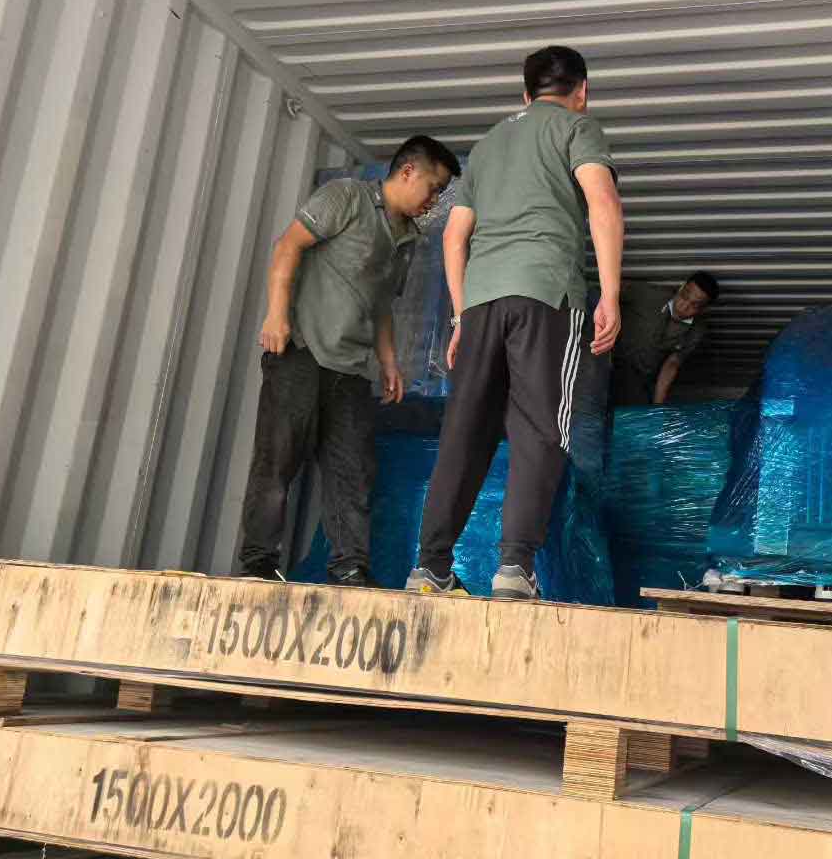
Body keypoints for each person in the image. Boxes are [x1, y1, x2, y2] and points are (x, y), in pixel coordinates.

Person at [405, 45, 624, 601]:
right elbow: (602, 203)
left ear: (526, 94)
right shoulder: (577, 128)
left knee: (464, 431)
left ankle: (430, 568)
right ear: (582, 92)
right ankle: (514, 568)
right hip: (545, 294)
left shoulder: (487, 146)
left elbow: (454, 237)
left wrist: (460, 316)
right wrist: (610, 295)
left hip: (481, 302)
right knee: (540, 430)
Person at [237, 135, 460, 585]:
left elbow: (381, 304)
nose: (433, 201)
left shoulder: (406, 239)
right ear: (408, 171)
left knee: (352, 471)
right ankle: (258, 563)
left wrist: (390, 363)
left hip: (351, 370)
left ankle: (350, 567)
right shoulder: (346, 198)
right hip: (301, 352)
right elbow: (287, 247)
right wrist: (276, 316)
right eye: (433, 188)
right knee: (277, 460)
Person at [610, 273, 718, 405]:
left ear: (703, 309)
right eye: (684, 296)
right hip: (607, 360)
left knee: (634, 410)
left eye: (694, 305)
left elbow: (671, 364)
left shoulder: (696, 330)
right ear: (681, 287)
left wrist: (658, 405)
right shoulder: (648, 295)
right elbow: (607, 293)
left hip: (637, 378)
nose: (683, 306)